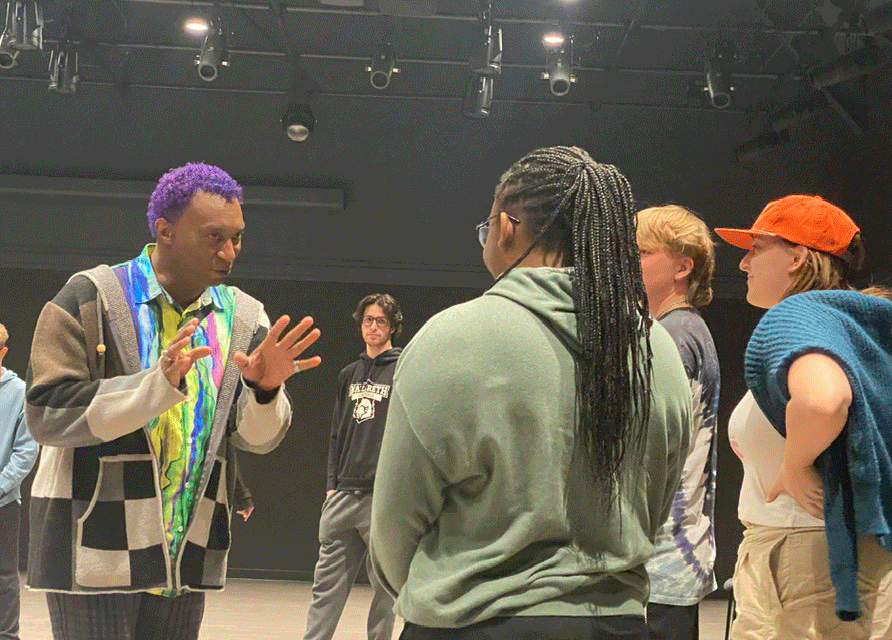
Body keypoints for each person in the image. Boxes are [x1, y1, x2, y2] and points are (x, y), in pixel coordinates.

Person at [370, 146, 692, 640]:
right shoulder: (658, 351)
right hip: (618, 625)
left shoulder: (450, 339)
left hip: (472, 624)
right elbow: (657, 500)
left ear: (505, 227)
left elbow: (394, 524)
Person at [25, 162, 321, 640]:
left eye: (238, 238)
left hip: (186, 551)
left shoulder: (244, 317)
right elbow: (46, 414)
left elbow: (256, 440)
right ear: (165, 231)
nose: (229, 252)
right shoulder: (92, 296)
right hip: (93, 547)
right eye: (214, 237)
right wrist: (153, 388)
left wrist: (265, 393)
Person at [716, 194, 892, 640]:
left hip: (810, 562)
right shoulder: (847, 324)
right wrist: (854, 468)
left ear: (796, 257)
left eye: (756, 248)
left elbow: (822, 402)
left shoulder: (796, 316)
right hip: (848, 560)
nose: (743, 264)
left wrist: (798, 467)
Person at [636, 206, 720, 640]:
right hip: (671, 554)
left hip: (661, 555)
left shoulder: (670, 336)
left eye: (642, 252)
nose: (629, 261)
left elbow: (647, 443)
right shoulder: (684, 330)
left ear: (682, 267)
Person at [303, 293, 402, 640]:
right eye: (367, 320)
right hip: (343, 493)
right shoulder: (349, 374)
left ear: (392, 326)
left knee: (386, 592)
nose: (373, 327)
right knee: (325, 589)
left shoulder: (403, 368)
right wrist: (331, 485)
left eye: (380, 321)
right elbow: (336, 434)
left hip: (380, 496)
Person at [0, 322, 40, 640]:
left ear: (3, 352)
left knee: (3, 575)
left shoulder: (20, 394)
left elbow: (26, 451)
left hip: (3, 502)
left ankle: (7, 634)